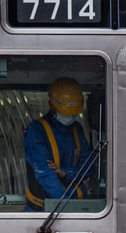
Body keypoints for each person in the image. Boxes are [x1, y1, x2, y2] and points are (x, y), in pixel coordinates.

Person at [23, 77, 93, 212]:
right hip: (43, 210)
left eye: (74, 113)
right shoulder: (36, 130)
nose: (70, 117)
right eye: (65, 112)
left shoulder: (77, 129)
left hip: (75, 206)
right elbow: (44, 173)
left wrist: (65, 173)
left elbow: (89, 166)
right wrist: (66, 207)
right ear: (51, 105)